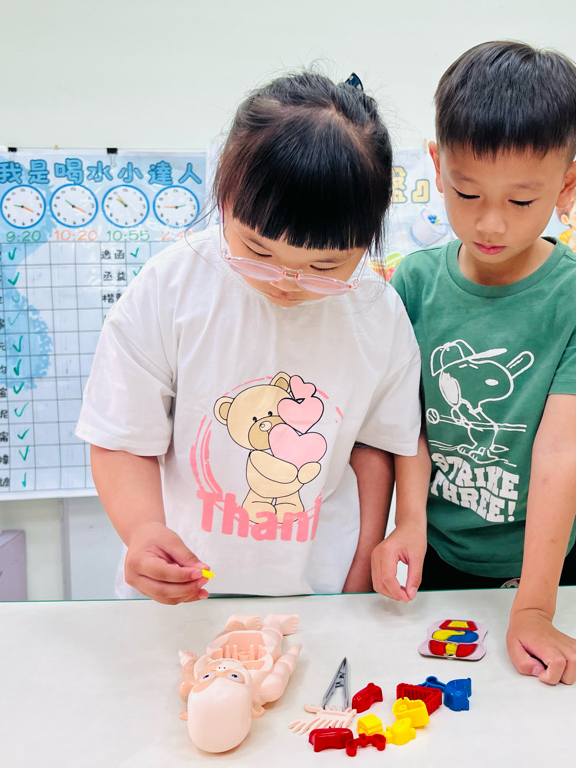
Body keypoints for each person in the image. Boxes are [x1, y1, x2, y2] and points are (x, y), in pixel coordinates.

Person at [76, 72, 422, 603]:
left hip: (317, 590)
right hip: (179, 589)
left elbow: (374, 447)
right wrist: (142, 531)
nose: (287, 282)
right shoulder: (171, 287)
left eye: (324, 266)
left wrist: (358, 571)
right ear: (225, 194)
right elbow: (122, 437)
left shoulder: (377, 313)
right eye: (258, 252)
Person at [373, 41, 576, 686]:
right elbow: (407, 424)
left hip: (541, 563)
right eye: (466, 192)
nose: (489, 224)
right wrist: (407, 523)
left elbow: (560, 449)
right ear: (438, 166)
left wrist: (535, 608)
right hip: (435, 548)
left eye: (520, 202)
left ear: (567, 184)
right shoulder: (415, 282)